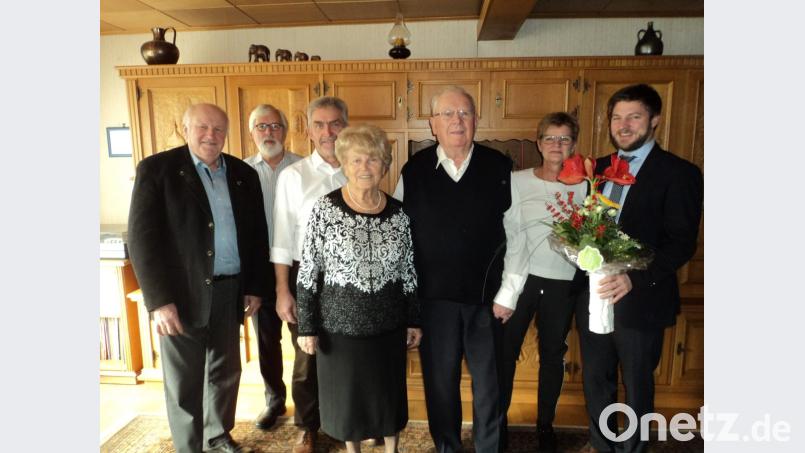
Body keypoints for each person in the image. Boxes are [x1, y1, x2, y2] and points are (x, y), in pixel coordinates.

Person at [127, 103, 270, 453]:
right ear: (185, 129)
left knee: (226, 370)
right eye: (203, 127)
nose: (211, 135)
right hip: (180, 295)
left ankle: (217, 435)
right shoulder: (157, 170)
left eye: (218, 129)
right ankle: (189, 446)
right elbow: (142, 239)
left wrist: (254, 286)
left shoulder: (243, 173)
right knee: (184, 379)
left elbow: (256, 235)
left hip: (230, 289)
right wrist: (159, 302)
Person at [393, 86, 523, 453]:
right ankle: (447, 447)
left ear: (476, 121)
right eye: (447, 114)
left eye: (465, 113)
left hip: (488, 301)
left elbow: (518, 234)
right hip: (433, 302)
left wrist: (509, 292)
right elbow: (399, 238)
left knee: (490, 384)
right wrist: (407, 304)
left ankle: (489, 448)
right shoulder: (414, 170)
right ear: (432, 124)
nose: (457, 121)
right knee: (440, 384)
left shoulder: (499, 166)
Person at [574, 84, 703, 453]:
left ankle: (633, 450)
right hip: (594, 297)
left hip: (642, 298)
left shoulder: (679, 173)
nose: (624, 125)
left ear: (655, 120)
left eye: (634, 116)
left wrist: (634, 278)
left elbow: (682, 242)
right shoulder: (597, 168)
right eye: (617, 117)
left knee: (637, 386)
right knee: (596, 382)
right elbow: (585, 227)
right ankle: (603, 446)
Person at [295, 124, 422, 453]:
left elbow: (408, 271)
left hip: (388, 327)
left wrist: (414, 319)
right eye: (356, 160)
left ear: (385, 165)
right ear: (344, 164)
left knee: (388, 399)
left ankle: (392, 450)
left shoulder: (399, 214)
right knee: (348, 405)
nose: (365, 167)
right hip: (341, 329)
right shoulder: (325, 210)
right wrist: (307, 326)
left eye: (373, 159)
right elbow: (309, 270)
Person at [498, 112, 587, 452]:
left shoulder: (586, 185)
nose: (556, 145)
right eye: (550, 138)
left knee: (552, 355)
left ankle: (545, 424)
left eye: (564, 139)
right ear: (538, 143)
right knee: (505, 353)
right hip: (522, 279)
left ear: (573, 145)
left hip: (563, 283)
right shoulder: (517, 180)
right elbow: (507, 229)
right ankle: (498, 421)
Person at [271, 96, 349, 453]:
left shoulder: (359, 168)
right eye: (319, 124)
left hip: (349, 280)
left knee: (346, 356)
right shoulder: (293, 176)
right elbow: (282, 240)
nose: (328, 131)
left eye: (335, 123)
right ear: (309, 131)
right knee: (307, 357)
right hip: (305, 278)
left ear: (346, 127)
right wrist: (282, 291)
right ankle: (307, 428)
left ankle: (344, 422)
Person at [242, 104, 303, 430]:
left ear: (286, 131)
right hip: (259, 269)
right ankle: (274, 400)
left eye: (275, 126)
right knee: (266, 341)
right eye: (261, 126)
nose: (269, 132)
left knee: (303, 339)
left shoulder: (303, 168)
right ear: (252, 132)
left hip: (297, 266)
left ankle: (307, 405)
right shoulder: (240, 172)